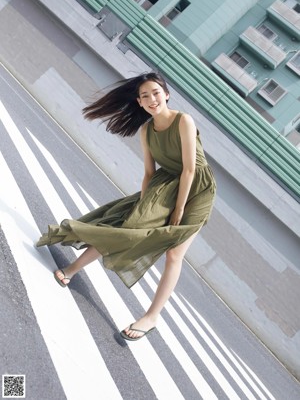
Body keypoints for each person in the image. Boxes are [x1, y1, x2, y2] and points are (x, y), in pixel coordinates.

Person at [36, 72, 216, 341]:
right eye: (145, 96)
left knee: (174, 255)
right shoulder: (146, 130)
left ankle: (151, 317)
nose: (152, 99)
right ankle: (72, 270)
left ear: (166, 94)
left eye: (156, 92)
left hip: (197, 190)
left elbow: (190, 170)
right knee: (127, 223)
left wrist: (179, 210)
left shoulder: (183, 121)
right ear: (140, 103)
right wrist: (144, 205)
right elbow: (147, 172)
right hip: (164, 184)